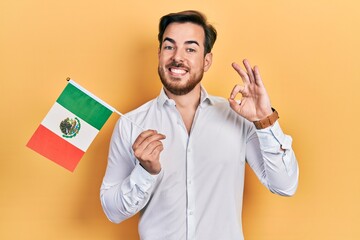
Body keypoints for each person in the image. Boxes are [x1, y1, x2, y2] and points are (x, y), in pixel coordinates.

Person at [100, 10, 299, 240]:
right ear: (159, 54)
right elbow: (112, 211)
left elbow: (285, 185)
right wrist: (145, 172)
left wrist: (265, 121)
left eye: (190, 48)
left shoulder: (237, 118)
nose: (177, 57)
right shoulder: (131, 124)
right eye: (169, 46)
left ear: (206, 61)